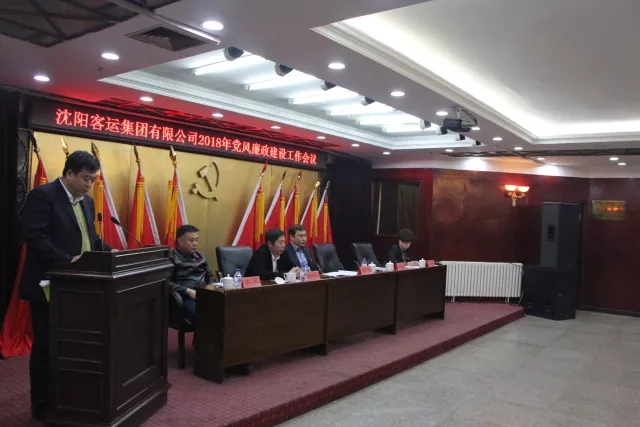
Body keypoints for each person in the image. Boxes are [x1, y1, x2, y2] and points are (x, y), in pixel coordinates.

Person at [20, 150, 114, 421]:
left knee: (74, 345)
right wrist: (67, 260)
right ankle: (42, 406)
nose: (89, 184)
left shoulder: (86, 202)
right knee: (46, 347)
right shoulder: (43, 196)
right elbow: (35, 237)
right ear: (69, 174)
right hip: (49, 285)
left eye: (93, 179)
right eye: (85, 178)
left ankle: (69, 399)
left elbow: (89, 238)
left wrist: (110, 251)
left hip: (80, 289)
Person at [168, 224, 215, 328]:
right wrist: (188, 291)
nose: (195, 244)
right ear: (180, 241)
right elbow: (166, 283)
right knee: (204, 316)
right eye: (191, 240)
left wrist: (212, 289)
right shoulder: (171, 258)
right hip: (183, 297)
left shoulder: (201, 257)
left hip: (204, 294)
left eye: (196, 240)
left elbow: (210, 276)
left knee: (226, 310)